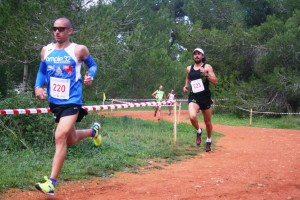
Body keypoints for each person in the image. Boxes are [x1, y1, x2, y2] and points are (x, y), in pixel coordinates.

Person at [34, 17, 102, 196]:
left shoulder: (78, 50)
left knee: (59, 136)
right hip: (55, 103)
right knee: (69, 139)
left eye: (61, 29)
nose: (57, 32)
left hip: (72, 101)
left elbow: (93, 66)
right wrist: (37, 86)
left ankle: (51, 183)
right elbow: (42, 71)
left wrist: (90, 76)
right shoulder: (46, 50)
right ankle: (93, 132)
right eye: (54, 28)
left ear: (69, 31)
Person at [183, 48, 218, 152]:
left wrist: (206, 74)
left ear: (202, 56)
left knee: (207, 122)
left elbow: (215, 82)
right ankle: (199, 131)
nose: (196, 56)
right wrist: (185, 86)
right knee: (192, 116)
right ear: (193, 56)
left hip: (205, 98)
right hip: (194, 97)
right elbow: (188, 78)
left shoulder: (207, 67)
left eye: (199, 54)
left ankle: (208, 140)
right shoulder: (189, 68)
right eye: (195, 54)